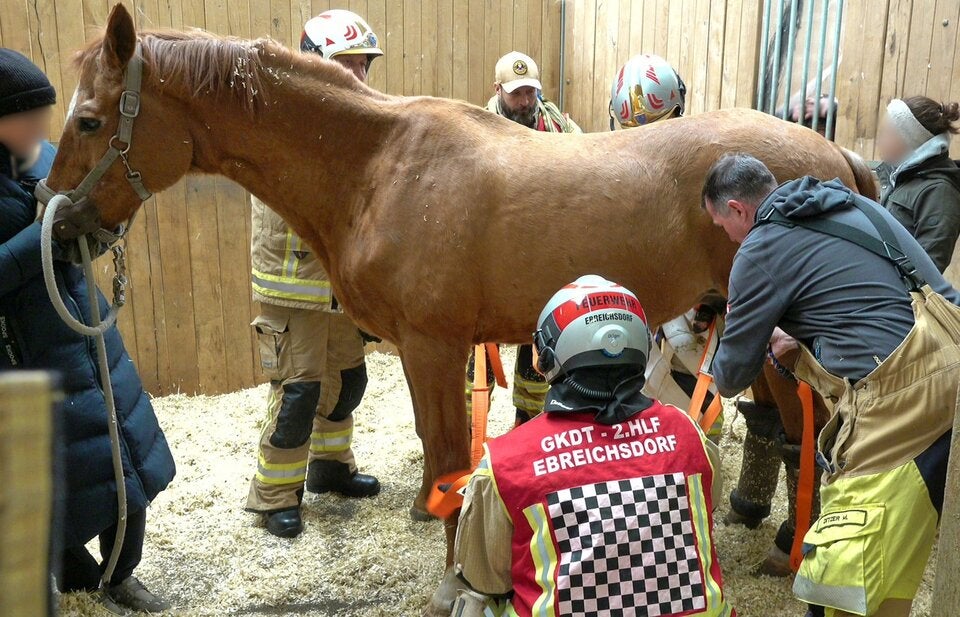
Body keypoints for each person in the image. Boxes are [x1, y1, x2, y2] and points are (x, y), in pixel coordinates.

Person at [702, 153, 960, 617]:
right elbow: (923, 291)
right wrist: (808, 338)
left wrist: (749, 326)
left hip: (897, 400)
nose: (730, 238)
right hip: (950, 374)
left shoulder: (760, 249)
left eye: (723, 226)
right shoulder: (857, 206)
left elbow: (731, 375)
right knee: (894, 553)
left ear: (738, 209)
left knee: (838, 577)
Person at [0, 48, 175, 614]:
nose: (42, 127)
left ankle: (122, 575)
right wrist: (43, 238)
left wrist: (102, 225)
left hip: (86, 334)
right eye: (29, 117)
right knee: (55, 480)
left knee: (124, 458)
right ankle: (75, 580)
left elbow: (79, 233)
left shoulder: (48, 159)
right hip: (23, 355)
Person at [450, 275, 734, 617]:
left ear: (545, 358)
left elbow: (485, 578)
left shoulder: (506, 463)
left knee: (473, 604)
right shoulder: (690, 437)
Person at [246, 9, 381, 539]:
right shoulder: (282, 123)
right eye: (348, 64)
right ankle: (274, 494)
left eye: (363, 65)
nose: (359, 76)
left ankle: (331, 466)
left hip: (339, 283)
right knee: (298, 393)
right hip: (294, 284)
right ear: (315, 64)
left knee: (347, 381)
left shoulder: (353, 123)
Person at [468, 51, 582, 427]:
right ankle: (470, 435)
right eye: (516, 93)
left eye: (531, 92)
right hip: (491, 264)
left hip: (542, 260)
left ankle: (528, 428)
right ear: (497, 90)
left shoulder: (560, 128)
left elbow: (585, 172)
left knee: (539, 354)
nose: (525, 101)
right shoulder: (475, 132)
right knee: (478, 360)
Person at [876, 96, 960, 272]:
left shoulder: (939, 191)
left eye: (887, 133)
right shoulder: (900, 178)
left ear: (910, 140)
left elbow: (929, 266)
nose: (879, 140)